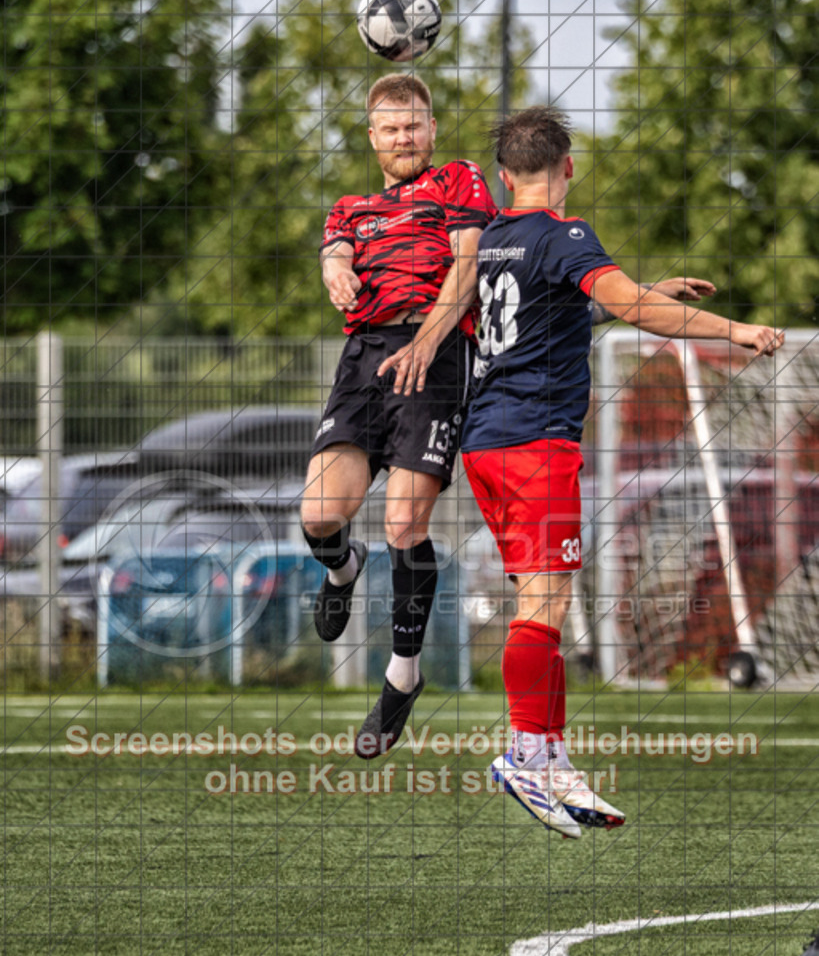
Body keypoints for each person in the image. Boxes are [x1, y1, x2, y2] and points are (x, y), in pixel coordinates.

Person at [380, 105, 784, 838]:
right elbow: (629, 309)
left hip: (486, 444)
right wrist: (738, 331)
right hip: (536, 441)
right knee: (545, 606)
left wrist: (646, 289)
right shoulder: (566, 236)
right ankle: (525, 754)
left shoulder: (491, 237)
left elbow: (548, 314)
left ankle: (553, 757)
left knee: (546, 602)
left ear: (504, 177)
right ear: (567, 167)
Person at [301, 74, 498, 759]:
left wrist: (428, 338)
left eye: (412, 125)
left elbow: (468, 265)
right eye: (390, 128)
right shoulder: (349, 206)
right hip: (365, 355)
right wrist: (333, 267)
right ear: (371, 137)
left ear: (431, 127)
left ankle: (401, 676)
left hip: (436, 348)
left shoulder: (458, 180)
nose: (402, 137)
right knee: (321, 515)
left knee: (403, 523)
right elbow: (335, 247)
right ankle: (340, 570)